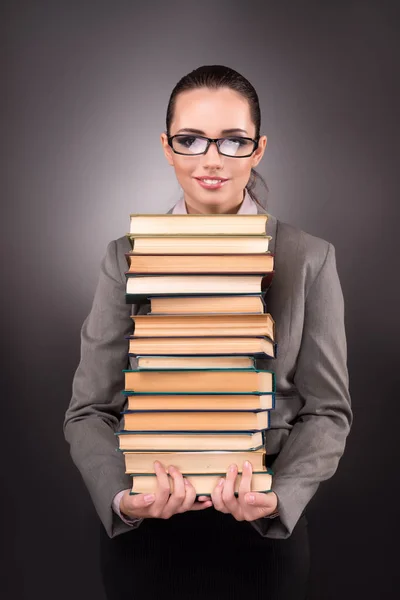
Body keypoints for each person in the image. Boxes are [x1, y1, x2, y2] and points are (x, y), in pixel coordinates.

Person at [63, 65, 352, 600]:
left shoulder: (309, 259)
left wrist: (280, 496)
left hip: (263, 546)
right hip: (145, 541)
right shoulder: (125, 257)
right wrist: (123, 500)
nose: (212, 159)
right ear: (167, 147)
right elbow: (88, 411)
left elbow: (327, 411)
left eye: (234, 141)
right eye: (191, 140)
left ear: (258, 149)